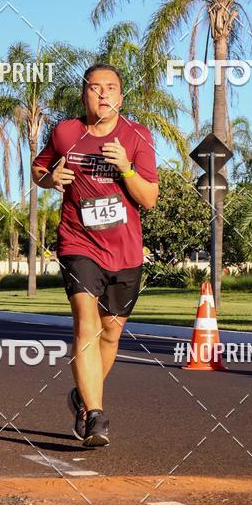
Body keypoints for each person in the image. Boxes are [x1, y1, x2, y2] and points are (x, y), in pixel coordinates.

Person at [32, 64, 159, 447]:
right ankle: (96, 415)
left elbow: (149, 199)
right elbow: (39, 168)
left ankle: (83, 398)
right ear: (84, 94)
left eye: (111, 88)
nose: (103, 94)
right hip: (78, 243)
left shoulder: (138, 136)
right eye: (95, 88)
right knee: (86, 324)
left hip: (125, 251)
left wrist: (125, 169)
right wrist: (50, 179)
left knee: (110, 332)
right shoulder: (66, 132)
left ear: (121, 97)